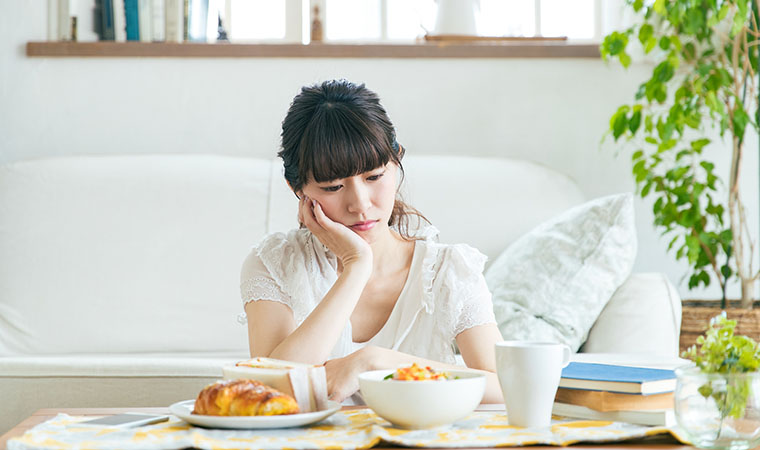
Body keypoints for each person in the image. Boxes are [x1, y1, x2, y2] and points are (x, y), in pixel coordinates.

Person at [239, 79, 504, 403]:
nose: (360, 204)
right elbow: (270, 391)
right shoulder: (274, 263)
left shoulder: (448, 270)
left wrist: (378, 363)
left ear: (397, 161)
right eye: (333, 187)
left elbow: (503, 386)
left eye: (374, 177)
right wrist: (356, 266)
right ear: (298, 189)